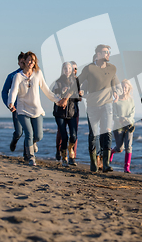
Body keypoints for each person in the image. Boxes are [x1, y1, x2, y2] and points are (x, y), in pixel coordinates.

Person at [8, 51, 67, 166]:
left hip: (36, 109)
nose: (31, 62)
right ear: (24, 61)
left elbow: (46, 90)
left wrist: (57, 100)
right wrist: (11, 103)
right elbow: (13, 91)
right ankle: (31, 158)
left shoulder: (38, 74)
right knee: (29, 134)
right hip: (22, 109)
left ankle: (31, 143)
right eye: (29, 60)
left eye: (33, 60)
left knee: (39, 135)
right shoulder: (18, 76)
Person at [77, 44, 122, 173]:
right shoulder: (90, 70)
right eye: (105, 52)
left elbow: (116, 85)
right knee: (93, 135)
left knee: (107, 132)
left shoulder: (112, 69)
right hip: (92, 106)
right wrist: (80, 92)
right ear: (97, 54)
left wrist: (116, 92)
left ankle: (106, 163)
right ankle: (93, 161)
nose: (108, 54)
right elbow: (80, 83)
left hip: (107, 105)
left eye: (109, 52)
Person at [52, 62, 80, 167]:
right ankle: (65, 158)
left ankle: (70, 149)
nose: (67, 70)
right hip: (60, 113)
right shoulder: (58, 82)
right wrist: (61, 93)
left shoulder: (76, 81)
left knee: (73, 136)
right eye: (65, 68)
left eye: (69, 68)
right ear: (62, 70)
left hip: (72, 112)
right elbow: (54, 94)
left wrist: (78, 94)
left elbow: (78, 98)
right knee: (64, 136)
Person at [1, 52, 25, 157]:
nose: (24, 64)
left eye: (26, 61)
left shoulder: (33, 75)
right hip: (17, 108)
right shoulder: (12, 76)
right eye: (22, 62)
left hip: (29, 107)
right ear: (19, 63)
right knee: (19, 132)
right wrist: (9, 105)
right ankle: (14, 140)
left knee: (30, 133)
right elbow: (4, 91)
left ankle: (27, 154)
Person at [110, 79, 136, 173]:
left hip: (129, 126)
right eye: (122, 87)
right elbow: (114, 115)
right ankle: (112, 151)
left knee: (128, 146)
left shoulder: (131, 100)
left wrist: (127, 120)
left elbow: (132, 114)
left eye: (125, 87)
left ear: (129, 88)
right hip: (118, 126)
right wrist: (119, 119)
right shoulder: (116, 101)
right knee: (120, 148)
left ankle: (126, 167)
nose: (124, 89)